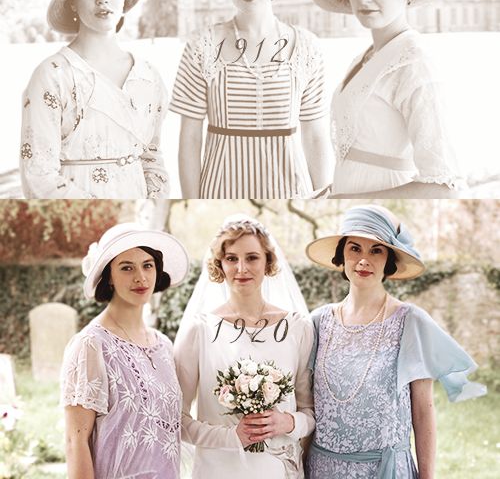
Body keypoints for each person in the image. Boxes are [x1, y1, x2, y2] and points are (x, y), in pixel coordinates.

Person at [305, 204, 487, 478]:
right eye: (355, 248)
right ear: (341, 254)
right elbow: (305, 402)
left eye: (375, 250)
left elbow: (423, 411)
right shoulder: (318, 321)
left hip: (384, 470)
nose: (364, 260)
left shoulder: (410, 321)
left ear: (389, 260)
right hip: (322, 469)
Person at [170, 0, 333, 199]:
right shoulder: (202, 45)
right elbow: (189, 138)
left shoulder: (307, 47)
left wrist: (322, 197)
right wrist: (193, 201)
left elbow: (315, 135)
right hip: (220, 189)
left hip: (290, 190)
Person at [311, 0, 460, 198]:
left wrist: (343, 199)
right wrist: (331, 192)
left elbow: (443, 188)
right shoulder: (366, 57)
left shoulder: (416, 64)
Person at [21, 0, 169, 199]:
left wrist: (149, 203)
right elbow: (38, 173)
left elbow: (152, 159)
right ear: (73, 4)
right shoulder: (53, 75)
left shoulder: (149, 76)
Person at [173, 215, 315, 478]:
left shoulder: (297, 327)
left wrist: (289, 422)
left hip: (278, 469)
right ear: (219, 264)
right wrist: (231, 437)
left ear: (268, 261)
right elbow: (176, 419)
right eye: (231, 259)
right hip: (219, 469)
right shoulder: (200, 330)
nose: (241, 268)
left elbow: (310, 411)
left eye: (252, 257)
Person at [60, 223, 189, 479]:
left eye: (147, 265)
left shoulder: (163, 345)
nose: (140, 277)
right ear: (108, 275)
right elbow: (76, 443)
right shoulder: (91, 345)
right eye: (127, 267)